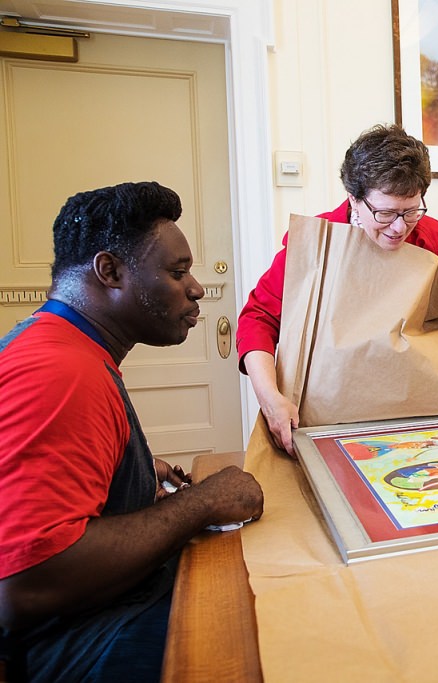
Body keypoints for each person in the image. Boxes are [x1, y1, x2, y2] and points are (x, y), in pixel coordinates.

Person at [0, 182, 264, 682]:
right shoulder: (60, 371)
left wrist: (135, 472)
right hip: (74, 645)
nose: (196, 288)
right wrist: (201, 502)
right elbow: (25, 585)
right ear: (110, 271)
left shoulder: (59, 345)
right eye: (177, 272)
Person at [237, 124, 438, 456]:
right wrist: (271, 399)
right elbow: (258, 318)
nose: (399, 227)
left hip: (411, 413)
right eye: (385, 213)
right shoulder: (315, 245)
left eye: (411, 211)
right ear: (354, 198)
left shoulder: (433, 239)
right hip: (327, 418)